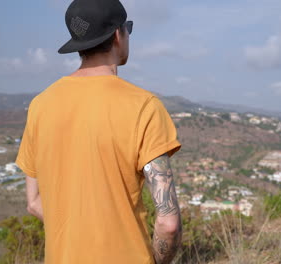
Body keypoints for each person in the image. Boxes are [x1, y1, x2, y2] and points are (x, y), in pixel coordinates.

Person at [16, 0, 182, 263]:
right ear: (118, 34)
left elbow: (34, 202)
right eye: (128, 28)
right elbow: (168, 222)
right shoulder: (144, 106)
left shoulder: (40, 105)